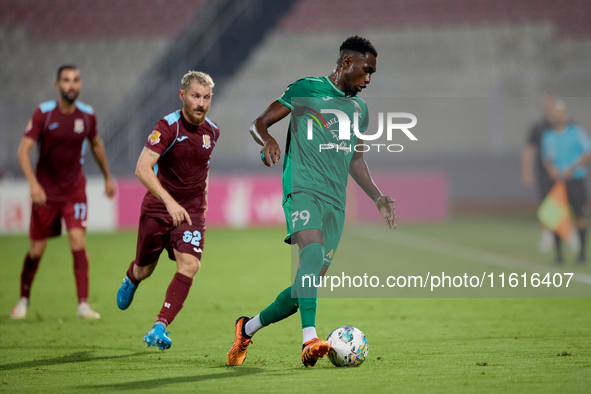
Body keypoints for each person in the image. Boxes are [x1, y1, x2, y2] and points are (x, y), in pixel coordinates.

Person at [227, 36, 396, 367]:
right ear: (347, 63)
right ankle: (309, 339)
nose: (368, 80)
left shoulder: (360, 110)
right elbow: (258, 124)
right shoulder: (307, 89)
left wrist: (377, 197)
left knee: (304, 286)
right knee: (312, 253)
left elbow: (356, 161)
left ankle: (246, 328)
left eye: (373, 74)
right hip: (303, 188)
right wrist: (269, 141)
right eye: (366, 71)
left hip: (336, 203)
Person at [116, 71, 219, 350]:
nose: (201, 103)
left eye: (206, 97)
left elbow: (201, 169)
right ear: (182, 95)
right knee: (145, 269)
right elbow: (142, 168)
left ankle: (159, 326)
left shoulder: (212, 131)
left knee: (191, 264)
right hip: (158, 209)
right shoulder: (168, 127)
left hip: (191, 212)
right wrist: (169, 201)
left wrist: (202, 202)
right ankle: (132, 278)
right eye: (196, 96)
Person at [11, 65, 115, 320]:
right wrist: (34, 185)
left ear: (80, 85)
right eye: (67, 80)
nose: (72, 85)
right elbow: (23, 151)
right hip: (45, 193)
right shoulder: (43, 114)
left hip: (74, 191)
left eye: (76, 80)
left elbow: (96, 145)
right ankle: (23, 299)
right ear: (57, 85)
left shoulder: (87, 115)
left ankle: (83, 305)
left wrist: (107, 177)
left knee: (78, 242)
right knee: (36, 250)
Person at [541, 100, 591, 264]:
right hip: (558, 183)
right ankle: (559, 255)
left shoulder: (576, 132)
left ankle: (582, 254)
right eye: (553, 114)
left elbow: (587, 153)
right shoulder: (548, 136)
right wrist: (552, 170)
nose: (556, 117)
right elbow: (546, 159)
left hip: (575, 180)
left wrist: (572, 168)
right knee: (556, 217)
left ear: (565, 114)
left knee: (580, 216)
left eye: (558, 113)